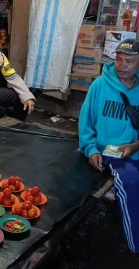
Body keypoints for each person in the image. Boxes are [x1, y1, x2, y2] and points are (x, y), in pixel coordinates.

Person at [79, 38, 139, 254]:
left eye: (129, 61)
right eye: (119, 59)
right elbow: (85, 123)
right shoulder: (100, 85)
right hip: (110, 150)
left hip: (134, 148)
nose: (122, 65)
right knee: (131, 181)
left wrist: (134, 146)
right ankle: (136, 243)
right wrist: (91, 149)